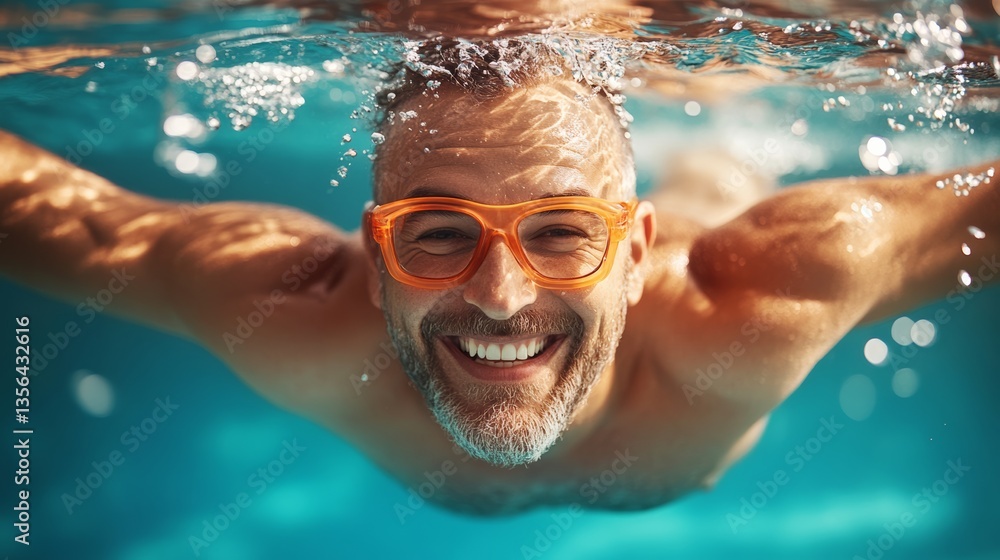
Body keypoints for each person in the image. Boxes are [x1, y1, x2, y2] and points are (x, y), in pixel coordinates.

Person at [1, 39, 997, 516]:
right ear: (373, 255)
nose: (500, 296)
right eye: (436, 232)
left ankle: (714, 141)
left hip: (706, 219)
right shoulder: (290, 312)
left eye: (563, 232)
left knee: (719, 176)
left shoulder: (766, 294)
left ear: (638, 248)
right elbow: (72, 226)